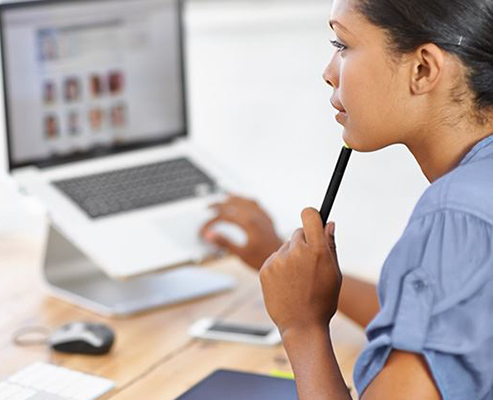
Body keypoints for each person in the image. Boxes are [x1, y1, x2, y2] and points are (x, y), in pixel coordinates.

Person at [201, 0, 493, 399]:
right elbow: (455, 324)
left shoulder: (455, 214)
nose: (327, 72)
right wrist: (286, 268)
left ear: (423, 68)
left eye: (341, 44)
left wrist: (302, 329)